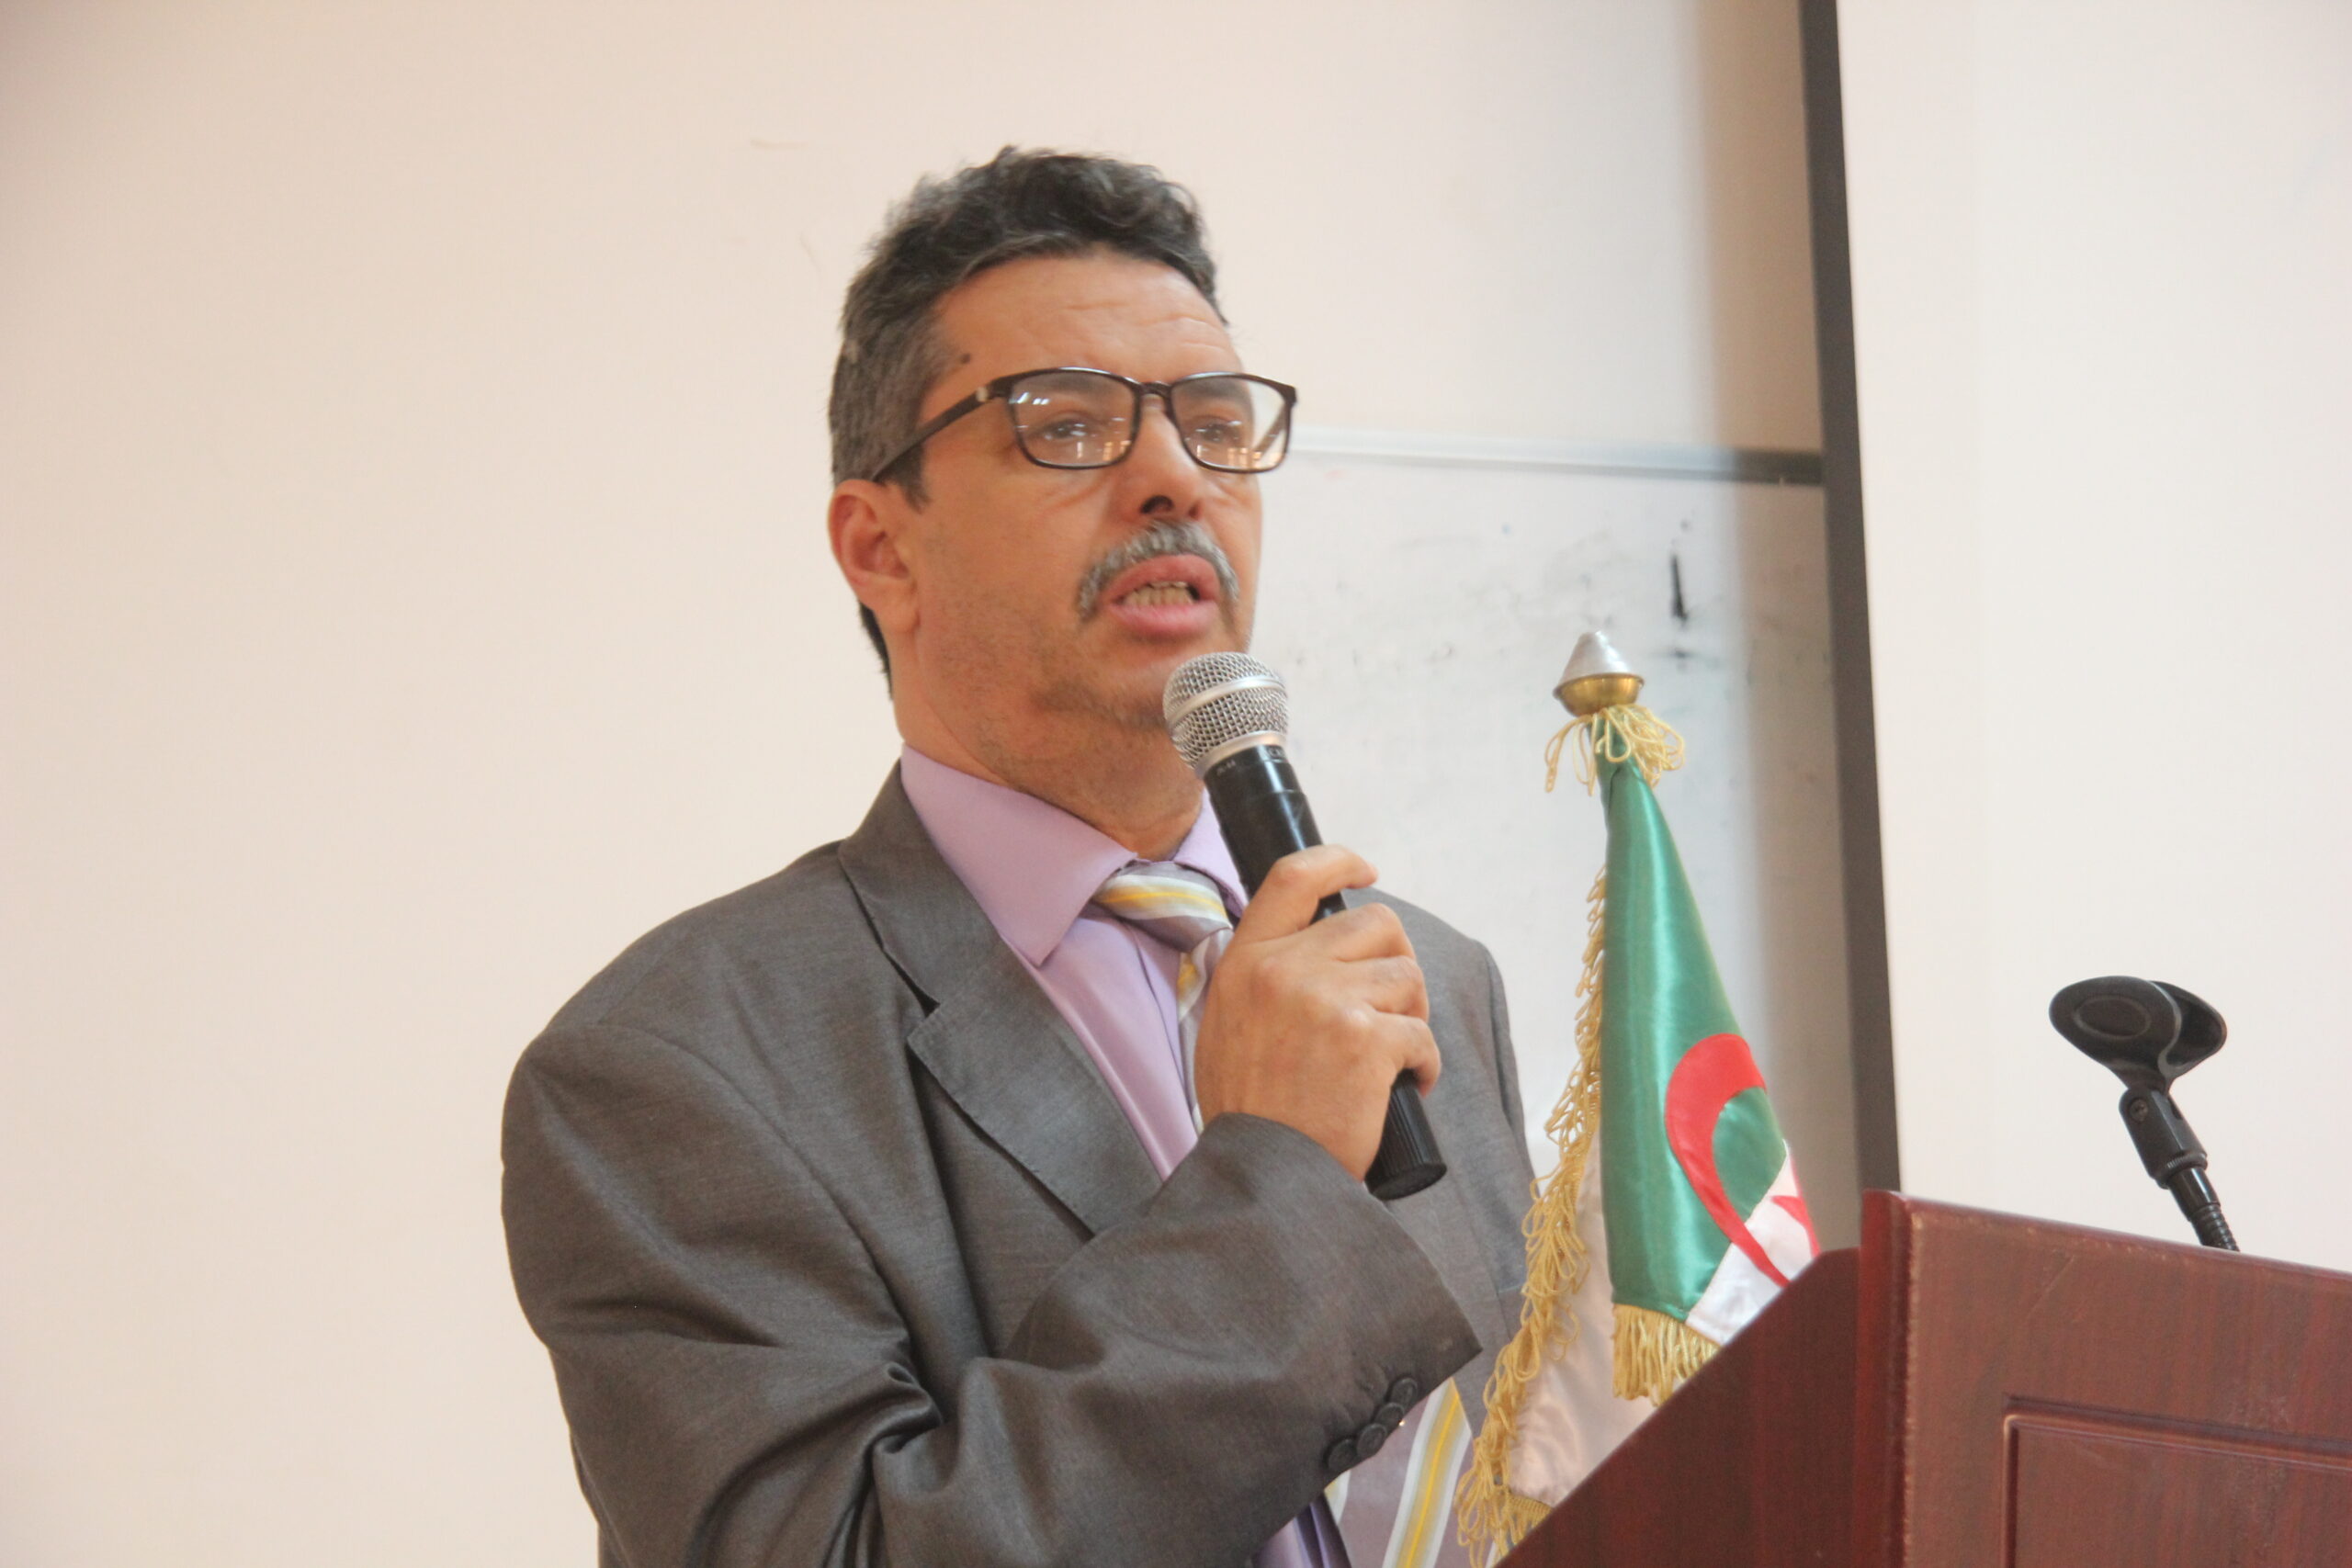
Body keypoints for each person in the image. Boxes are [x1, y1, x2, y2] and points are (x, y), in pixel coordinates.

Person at [502, 148, 1536, 1568]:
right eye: (1067, 425)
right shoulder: (676, 1065)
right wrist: (1277, 1181)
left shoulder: (1428, 979)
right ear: (881, 548)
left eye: (1215, 422)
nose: (1174, 477)